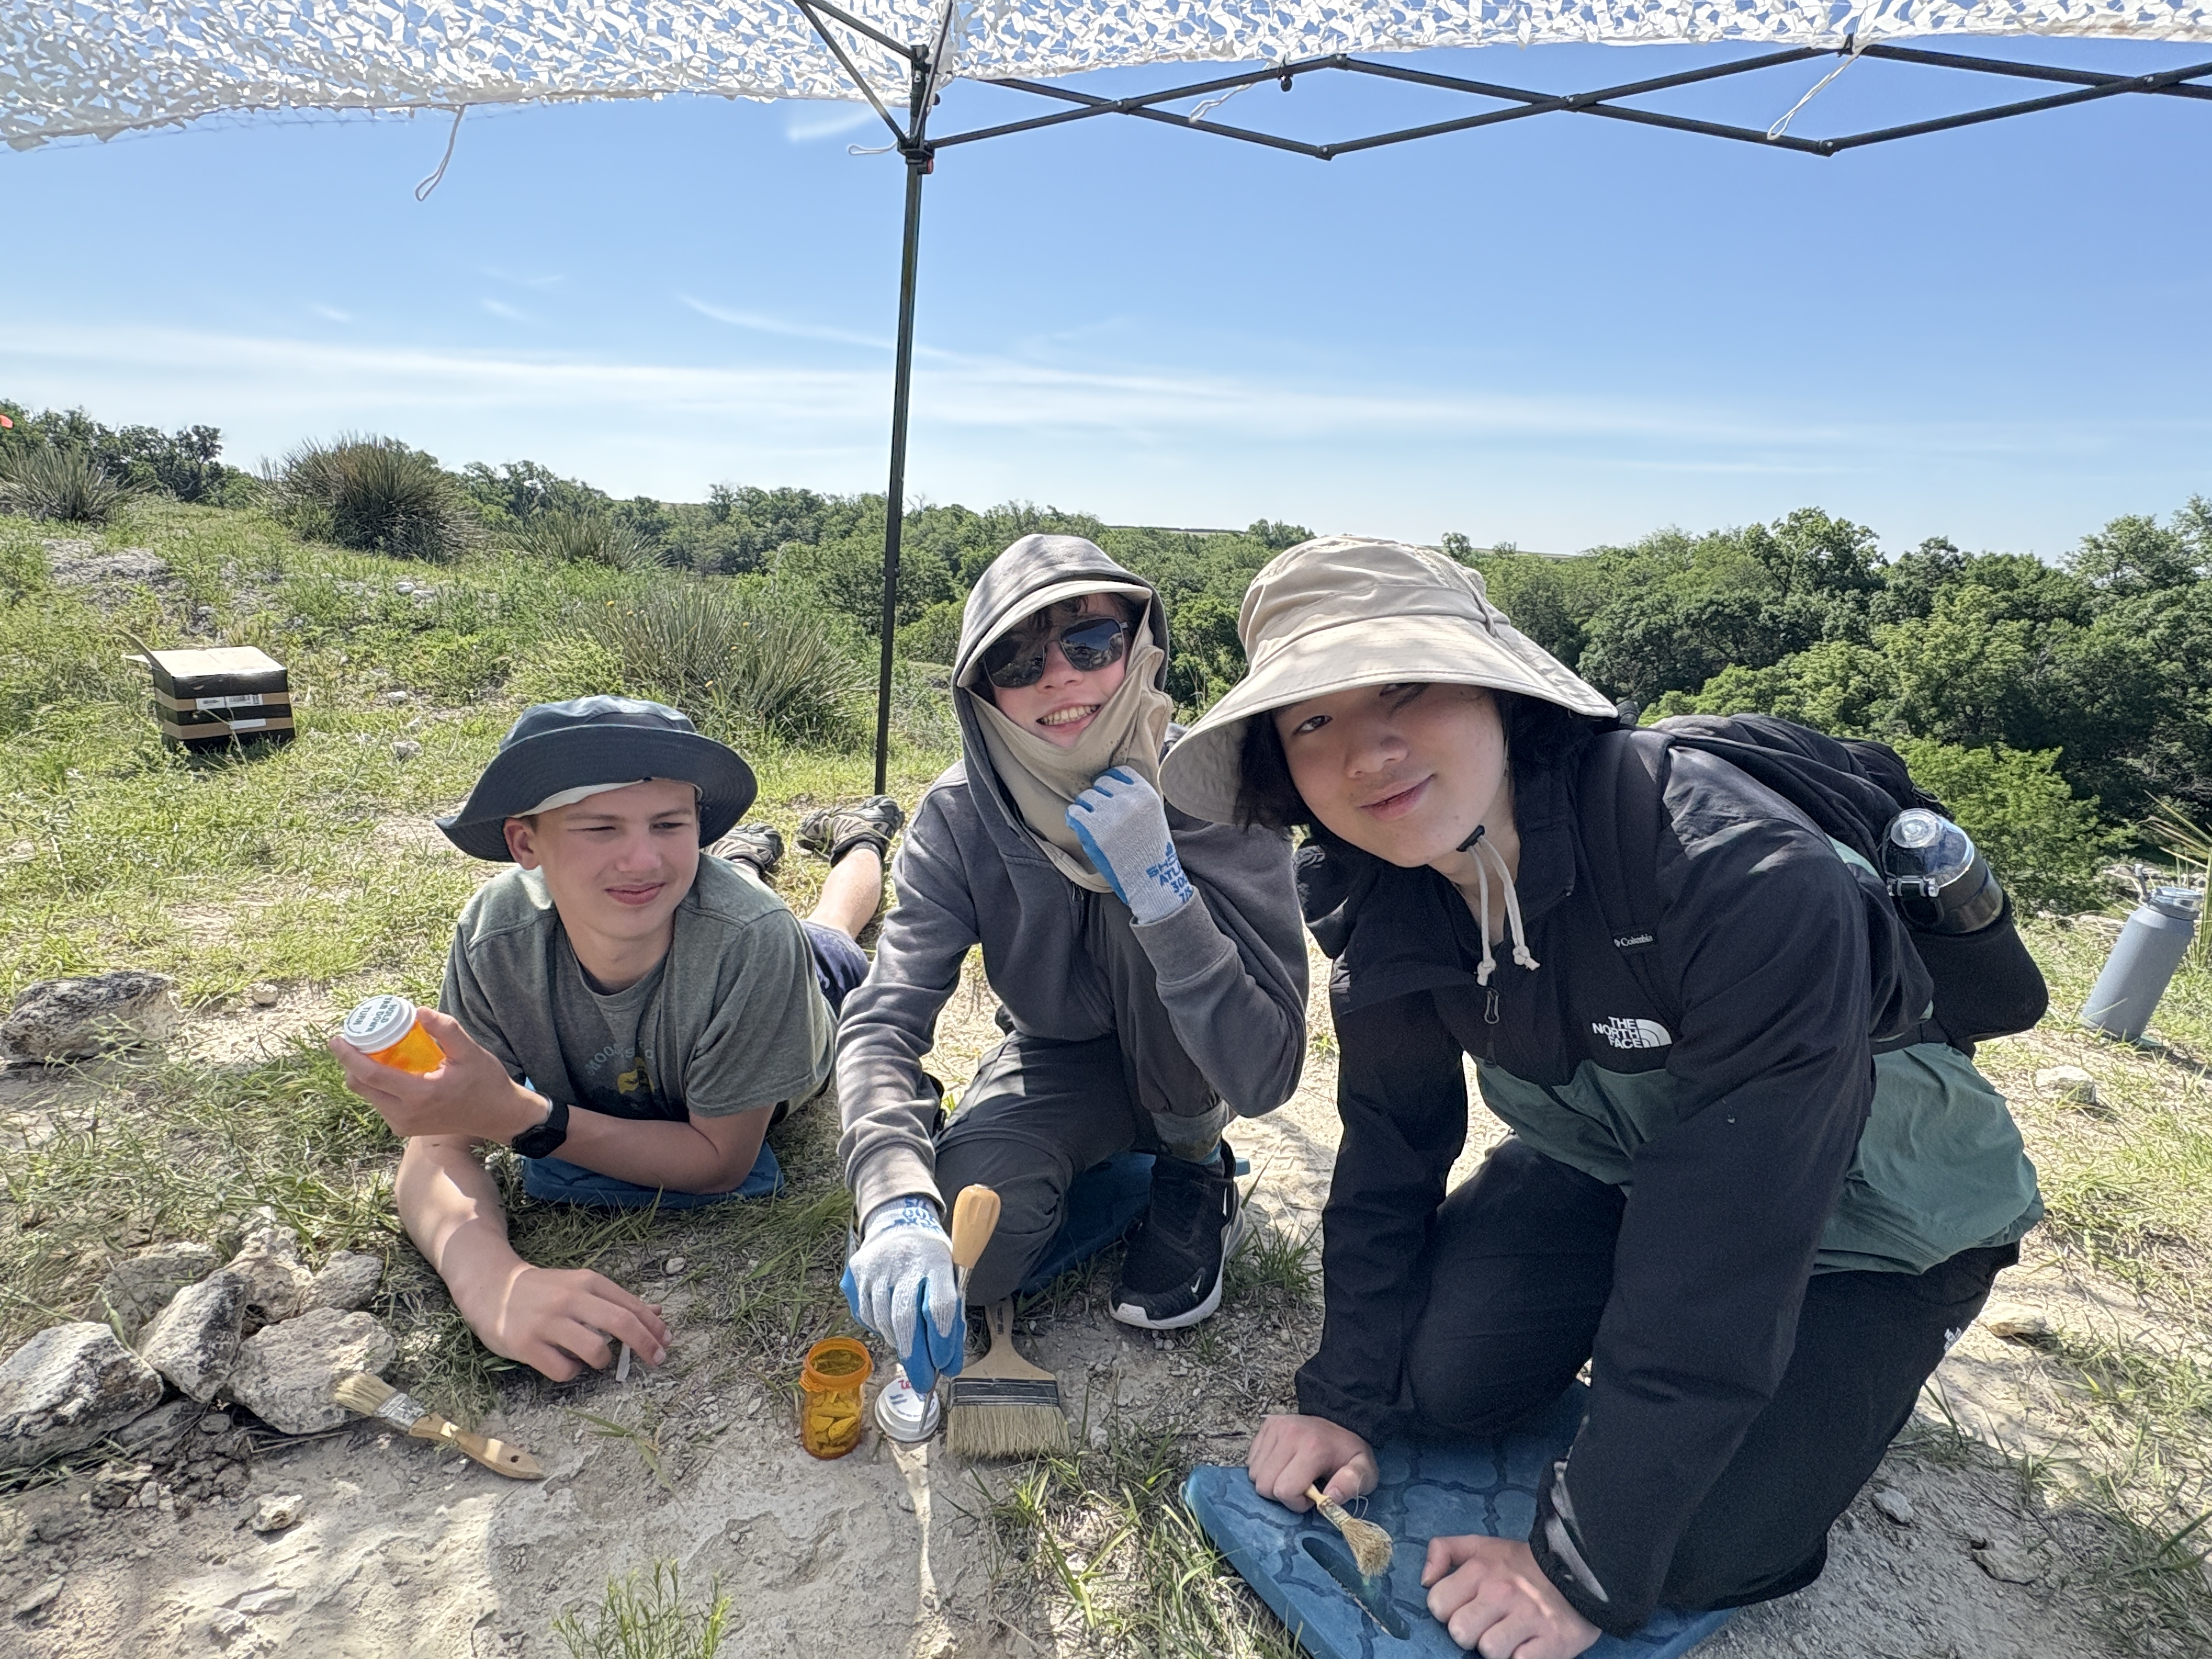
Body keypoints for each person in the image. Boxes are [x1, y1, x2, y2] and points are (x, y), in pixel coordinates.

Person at [1158, 539, 2042, 1659]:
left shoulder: (1740, 875)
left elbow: (1728, 1242)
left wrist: (1582, 1562)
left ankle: (1876, 1354)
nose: (1366, 752)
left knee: (1696, 1549)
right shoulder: (1384, 899)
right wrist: (1342, 1397)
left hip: (1876, 1222)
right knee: (1438, 1381)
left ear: (1499, 690)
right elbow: (1388, 1150)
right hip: (1617, 1169)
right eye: (1310, 722)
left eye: (1404, 687)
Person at [836, 533, 1309, 1386]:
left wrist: (1162, 888)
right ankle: (1116, 1176)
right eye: (1017, 661)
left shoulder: (1220, 786)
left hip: (1201, 1071)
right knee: (976, 1265)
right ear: (981, 694)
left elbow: (1268, 1073)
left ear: (1141, 649)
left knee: (1140, 916)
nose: (1059, 676)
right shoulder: (957, 815)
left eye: (1091, 643)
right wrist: (895, 1193)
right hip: (1061, 1063)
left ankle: (1196, 1169)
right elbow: (884, 1015)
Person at [330, 695, 901, 1383]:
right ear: (525, 844)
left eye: (671, 824)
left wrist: (519, 1117)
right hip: (708, 911)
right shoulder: (496, 936)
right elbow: (438, 1146)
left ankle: (862, 836)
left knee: (831, 929)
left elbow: (718, 1162)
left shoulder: (753, 941)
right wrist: (491, 1283)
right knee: (710, 890)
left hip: (798, 979)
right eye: (600, 827)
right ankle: (744, 856)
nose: (641, 857)